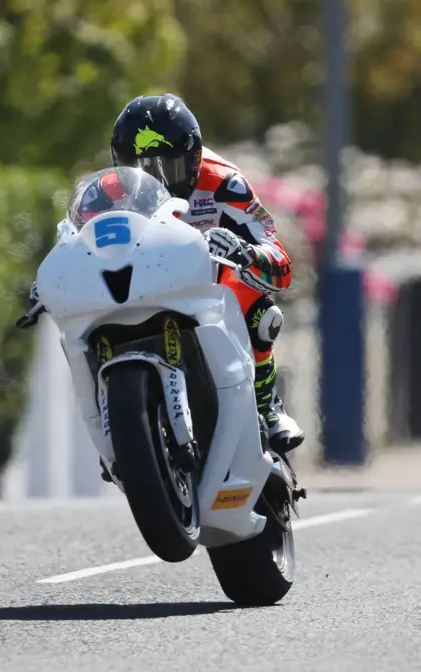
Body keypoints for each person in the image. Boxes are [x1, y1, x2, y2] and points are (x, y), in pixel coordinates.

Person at [109, 93, 304, 454]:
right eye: (143, 170)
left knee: (260, 312)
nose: (159, 182)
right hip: (143, 282)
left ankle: (268, 406)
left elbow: (281, 265)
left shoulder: (225, 184)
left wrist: (244, 252)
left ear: (195, 157)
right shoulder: (112, 191)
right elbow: (78, 236)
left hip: (208, 285)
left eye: (170, 167)